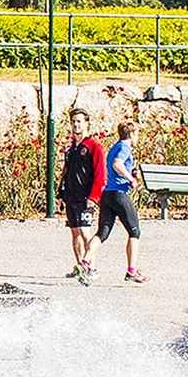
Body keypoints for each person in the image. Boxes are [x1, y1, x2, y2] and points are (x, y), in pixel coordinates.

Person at [84, 122, 147, 284]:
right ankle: (131, 271)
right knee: (135, 232)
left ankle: (86, 260)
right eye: (137, 134)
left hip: (107, 195)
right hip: (119, 195)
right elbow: (117, 164)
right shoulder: (125, 147)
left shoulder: (114, 147)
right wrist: (131, 178)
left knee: (102, 233)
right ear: (132, 134)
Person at [59, 109, 107, 280]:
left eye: (79, 121)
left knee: (86, 231)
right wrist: (61, 193)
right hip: (71, 196)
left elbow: (100, 174)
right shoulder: (71, 148)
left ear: (86, 123)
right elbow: (67, 171)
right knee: (74, 232)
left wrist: (94, 198)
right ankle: (80, 265)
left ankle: (91, 267)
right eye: (73, 121)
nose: (76, 125)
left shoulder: (94, 147)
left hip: (86, 197)